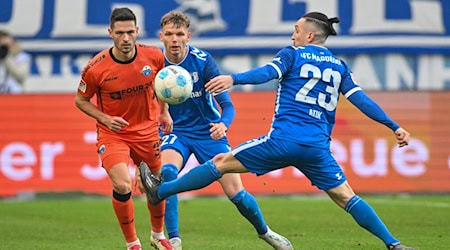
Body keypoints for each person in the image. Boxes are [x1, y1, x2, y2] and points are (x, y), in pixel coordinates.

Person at [140, 11, 417, 250]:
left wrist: (234, 78)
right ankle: (393, 243)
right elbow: (361, 100)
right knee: (347, 197)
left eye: (296, 30)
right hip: (317, 148)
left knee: (220, 163)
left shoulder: (292, 54)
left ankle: (161, 192)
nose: (293, 34)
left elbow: (267, 73)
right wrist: (393, 126)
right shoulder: (339, 66)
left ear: (309, 36)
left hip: (282, 140)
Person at [136, 10, 293, 250]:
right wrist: (162, 112)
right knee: (168, 173)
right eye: (169, 34)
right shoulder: (155, 63)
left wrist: (223, 124)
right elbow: (146, 101)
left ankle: (266, 232)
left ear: (188, 36)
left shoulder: (202, 61)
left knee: (236, 193)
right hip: (176, 132)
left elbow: (227, 105)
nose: (174, 39)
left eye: (179, 34)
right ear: (161, 36)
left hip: (208, 132)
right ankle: (174, 240)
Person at [74, 7, 173, 250]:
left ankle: (157, 235)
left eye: (130, 32)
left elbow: (164, 85)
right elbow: (80, 100)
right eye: (120, 33)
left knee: (156, 185)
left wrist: (164, 111)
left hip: (147, 130)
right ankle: (132, 243)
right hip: (114, 133)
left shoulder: (154, 57)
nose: (126, 38)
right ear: (110, 33)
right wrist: (105, 119)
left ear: (137, 31)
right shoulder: (96, 68)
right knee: (122, 185)